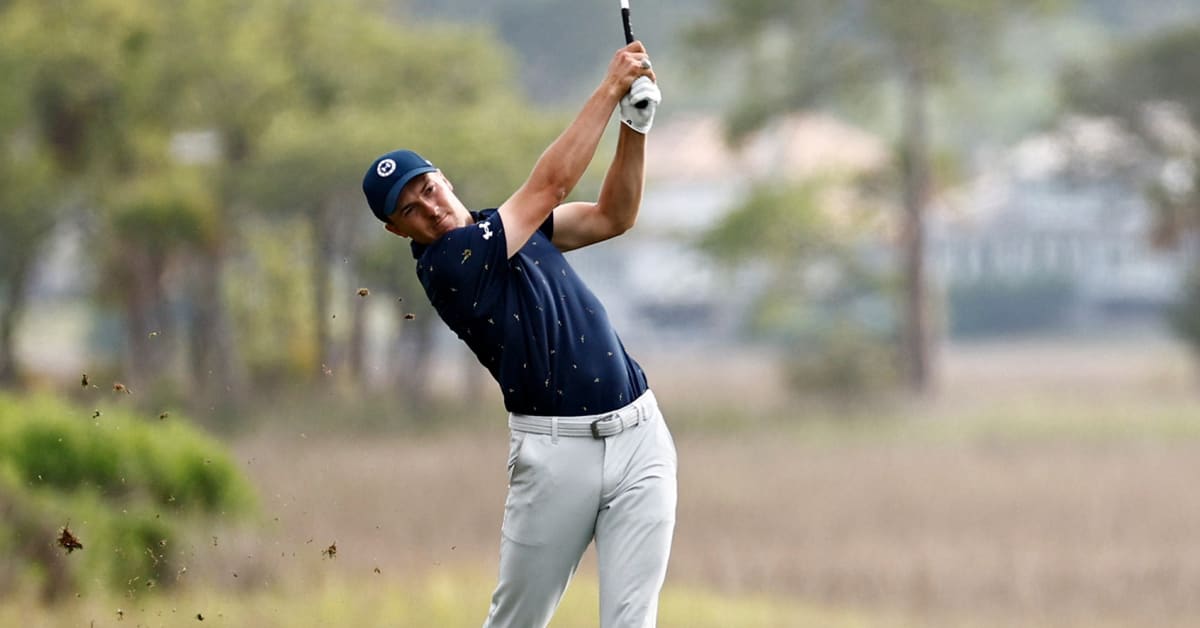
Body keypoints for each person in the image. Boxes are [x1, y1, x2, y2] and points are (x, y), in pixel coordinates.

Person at [360, 42, 675, 628]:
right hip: (556, 454)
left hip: (640, 437)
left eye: (427, 188)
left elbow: (614, 215)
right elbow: (551, 185)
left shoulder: (495, 224)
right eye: (409, 210)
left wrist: (635, 124)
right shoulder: (450, 263)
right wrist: (609, 89)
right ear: (394, 228)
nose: (429, 209)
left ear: (442, 178)